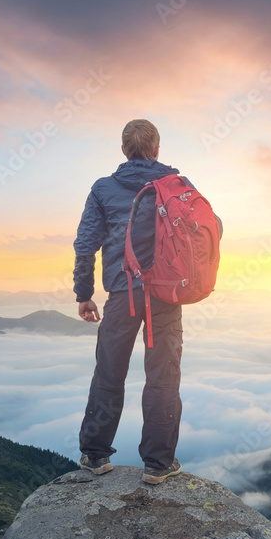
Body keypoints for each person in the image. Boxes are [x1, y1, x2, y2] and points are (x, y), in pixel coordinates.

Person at [72, 118, 203, 484]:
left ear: (123, 150)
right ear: (157, 148)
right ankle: (158, 465)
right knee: (163, 376)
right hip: (167, 294)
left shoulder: (103, 188)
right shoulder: (178, 186)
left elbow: (86, 245)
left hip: (121, 294)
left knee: (109, 373)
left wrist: (84, 294)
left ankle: (95, 456)